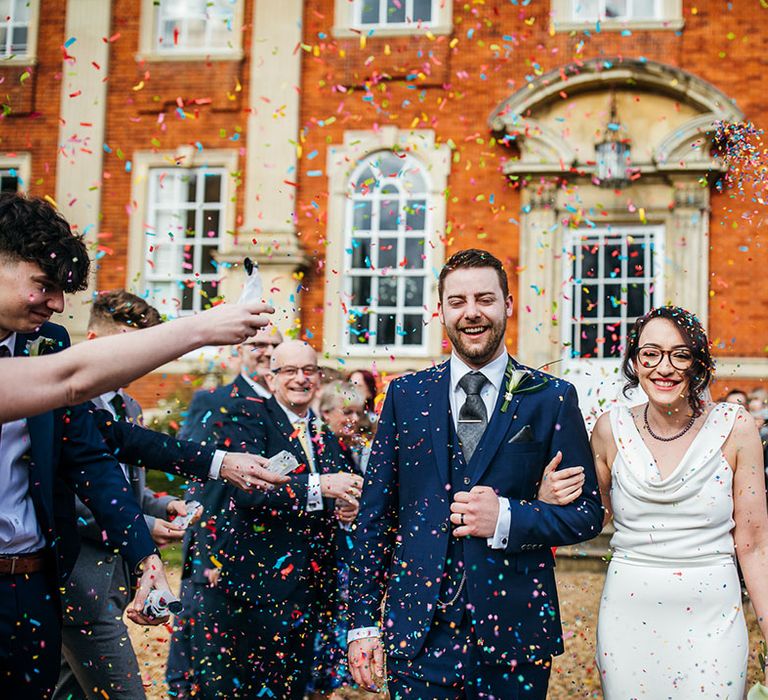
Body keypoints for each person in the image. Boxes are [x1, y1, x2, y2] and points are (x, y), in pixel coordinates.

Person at [347, 249, 603, 699]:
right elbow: (375, 519)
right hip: (420, 634)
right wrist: (362, 621)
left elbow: (587, 514)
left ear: (507, 304)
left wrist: (506, 516)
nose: (471, 313)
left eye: (484, 299)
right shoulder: (405, 395)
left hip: (515, 633)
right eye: (457, 301)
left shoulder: (552, 397)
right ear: (441, 310)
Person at [0, 191, 177, 697]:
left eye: (62, 291)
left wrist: (145, 558)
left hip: (32, 582)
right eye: (44, 286)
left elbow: (87, 457)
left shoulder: (49, 340)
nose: (56, 304)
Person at [591, 306, 768, 697]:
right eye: (650, 353)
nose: (664, 367)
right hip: (627, 619)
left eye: (680, 354)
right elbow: (590, 519)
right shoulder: (609, 429)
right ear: (635, 363)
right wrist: (545, 494)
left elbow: (755, 545)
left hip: (713, 618)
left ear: (698, 363)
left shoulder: (735, 427)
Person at [194, 340, 364, 698]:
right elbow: (250, 490)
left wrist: (346, 508)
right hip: (258, 591)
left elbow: (336, 489)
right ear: (272, 379)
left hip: (311, 591)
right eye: (289, 371)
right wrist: (322, 486)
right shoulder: (248, 417)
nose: (300, 379)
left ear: (318, 378)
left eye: (308, 371)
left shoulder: (319, 431)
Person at [165, 325, 283, 698]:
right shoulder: (214, 400)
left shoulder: (287, 406)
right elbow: (199, 477)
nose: (266, 351)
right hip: (220, 554)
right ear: (239, 351)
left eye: (274, 346)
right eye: (258, 344)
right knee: (211, 666)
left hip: (273, 558)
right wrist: (208, 555)